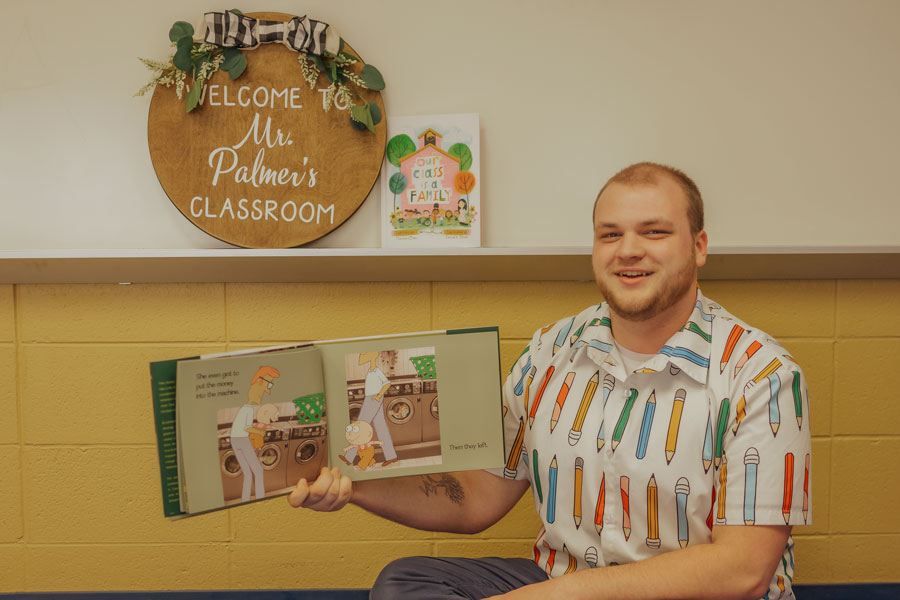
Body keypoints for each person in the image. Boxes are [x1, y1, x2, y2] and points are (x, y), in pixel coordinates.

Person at [288, 162, 812, 600]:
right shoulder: (551, 351)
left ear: (698, 246)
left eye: (654, 231)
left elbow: (743, 571)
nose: (628, 250)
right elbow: (475, 499)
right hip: (561, 585)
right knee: (407, 581)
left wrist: (558, 596)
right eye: (611, 234)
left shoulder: (762, 375)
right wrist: (355, 483)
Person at [231, 365, 280, 502]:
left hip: (235, 440)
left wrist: (256, 427)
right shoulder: (248, 408)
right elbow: (246, 428)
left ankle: (245, 499)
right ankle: (260, 498)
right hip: (241, 439)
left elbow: (243, 426)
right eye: (268, 385)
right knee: (258, 471)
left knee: (247, 473)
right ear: (259, 382)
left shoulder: (244, 408)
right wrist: (260, 430)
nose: (267, 391)